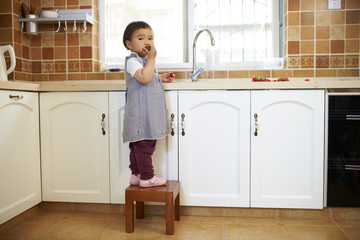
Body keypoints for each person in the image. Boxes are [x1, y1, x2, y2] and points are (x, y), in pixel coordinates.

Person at [122, 21, 175, 188]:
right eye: (141, 38)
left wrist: (161, 77)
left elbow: (149, 76)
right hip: (140, 116)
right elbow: (144, 78)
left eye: (150, 38)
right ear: (129, 44)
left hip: (145, 114)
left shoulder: (144, 61)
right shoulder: (132, 61)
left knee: (137, 146)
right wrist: (152, 58)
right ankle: (147, 177)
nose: (147, 41)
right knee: (145, 146)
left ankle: (136, 175)